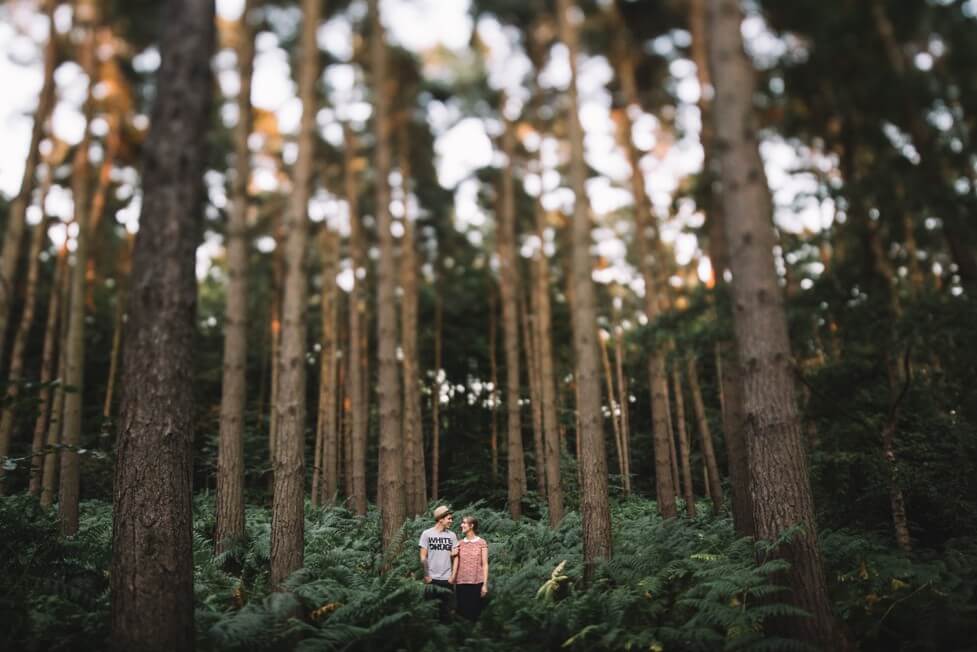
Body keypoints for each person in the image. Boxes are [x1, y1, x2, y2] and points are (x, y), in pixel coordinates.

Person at [419, 505, 457, 622]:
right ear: (441, 519)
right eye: (449, 518)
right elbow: (423, 556)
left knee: (446, 613)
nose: (451, 521)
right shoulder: (427, 534)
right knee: (430, 613)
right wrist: (426, 575)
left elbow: (456, 557)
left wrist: (453, 576)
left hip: (447, 579)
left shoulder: (452, 535)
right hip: (431, 579)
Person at [451, 514, 489, 621]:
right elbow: (455, 562)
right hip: (461, 583)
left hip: (477, 583)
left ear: (471, 525)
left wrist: (485, 585)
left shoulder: (481, 543)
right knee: (462, 614)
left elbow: (485, 564)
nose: (461, 525)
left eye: (464, 523)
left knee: (475, 614)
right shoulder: (459, 543)